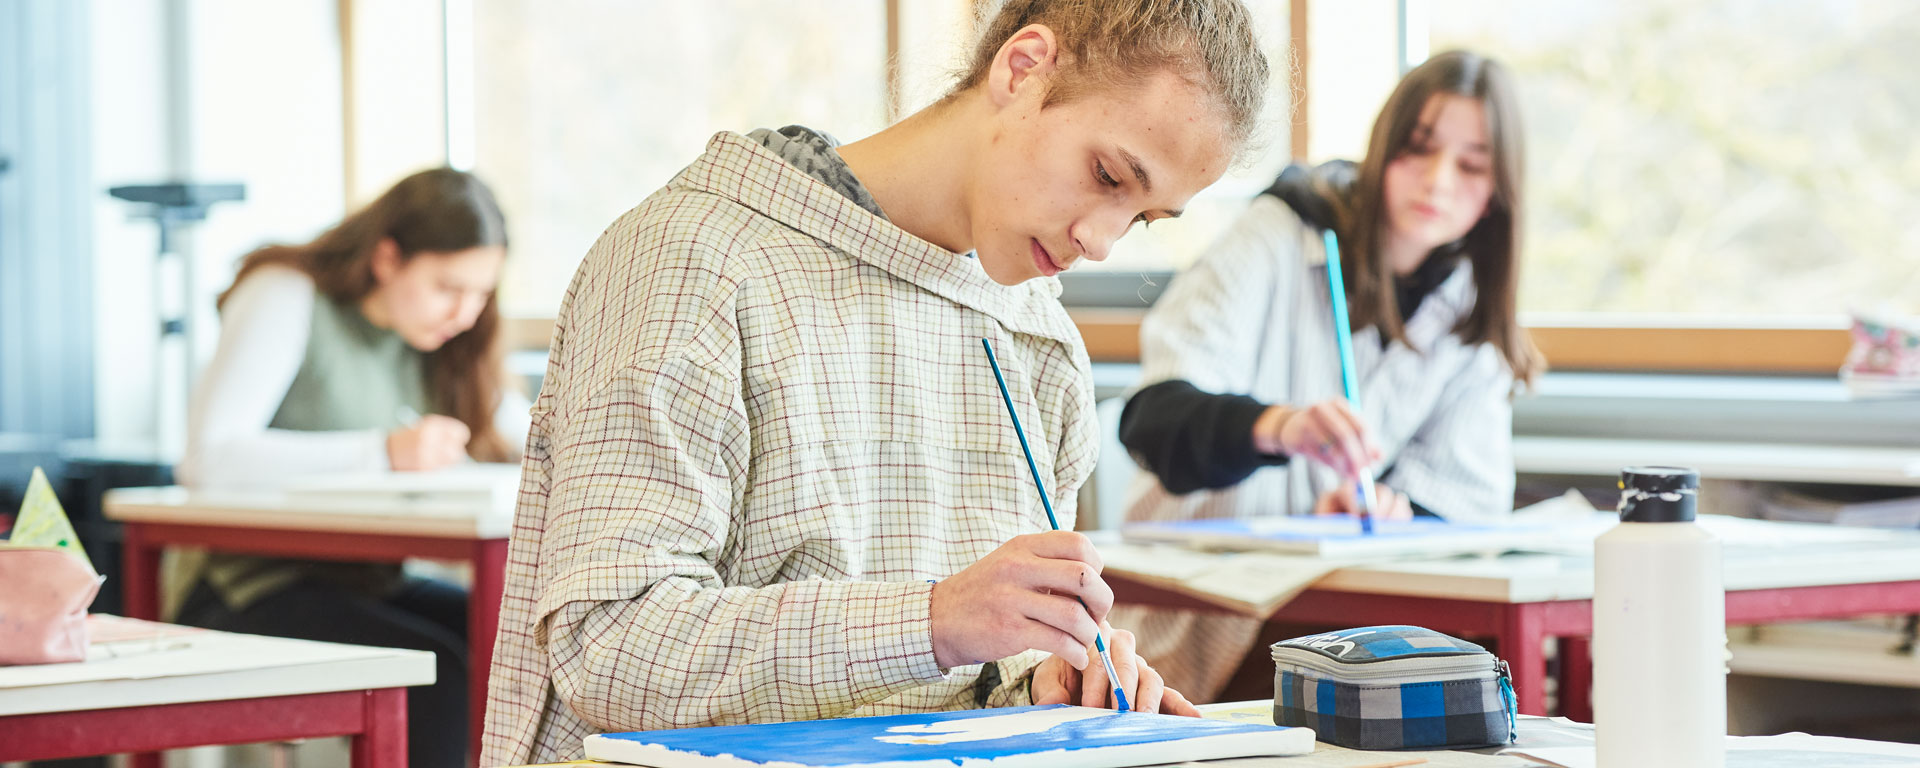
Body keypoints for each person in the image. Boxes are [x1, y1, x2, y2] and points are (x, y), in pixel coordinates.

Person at [478, 1, 1271, 763]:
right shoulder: (690, 262)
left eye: (1140, 218)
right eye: (1106, 175)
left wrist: (1039, 687)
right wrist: (934, 621)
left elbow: (959, 684)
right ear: (1023, 69)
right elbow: (610, 651)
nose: (1101, 242)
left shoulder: (1037, 343)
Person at [1113, 50, 1544, 701]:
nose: (1438, 181)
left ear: (1497, 194)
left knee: (1476, 672)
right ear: (1381, 151)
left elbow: (1465, 502)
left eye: (1472, 165)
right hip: (1212, 626)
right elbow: (1153, 422)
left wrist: (1394, 513)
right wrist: (1278, 427)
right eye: (1418, 150)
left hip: (1349, 614)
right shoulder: (1280, 235)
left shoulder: (1468, 309)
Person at [174, 167, 529, 768]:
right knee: (439, 672)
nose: (465, 313)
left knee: (514, 645)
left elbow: (527, 430)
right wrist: (384, 453)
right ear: (388, 258)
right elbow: (207, 458)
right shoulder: (287, 293)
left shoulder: (440, 342)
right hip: (246, 589)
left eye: (480, 293)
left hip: (364, 582)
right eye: (448, 286)